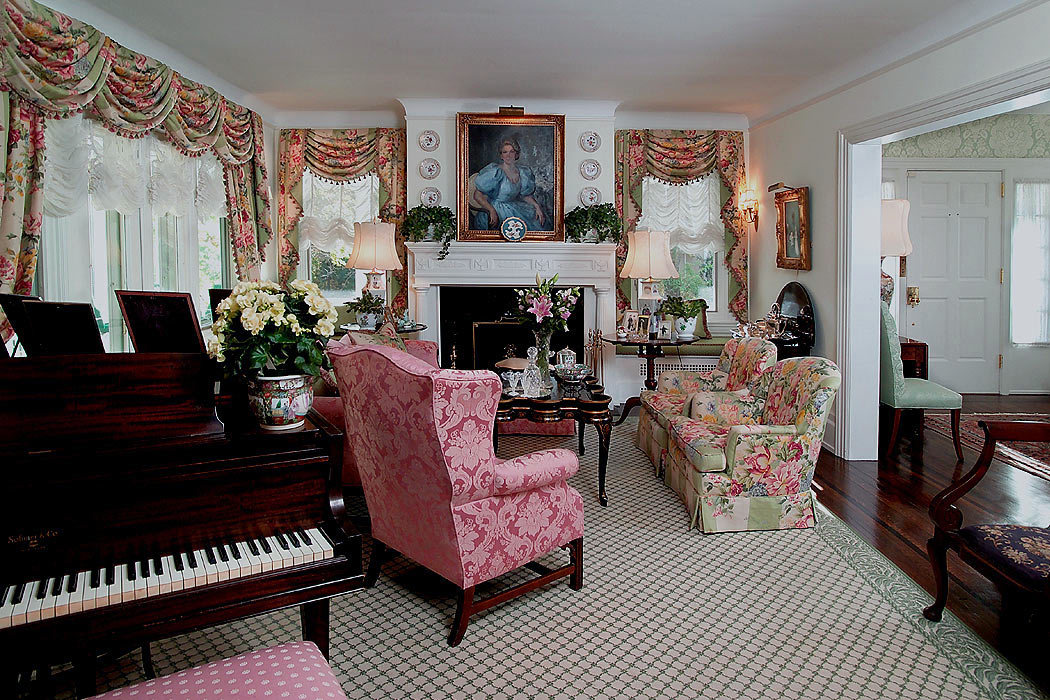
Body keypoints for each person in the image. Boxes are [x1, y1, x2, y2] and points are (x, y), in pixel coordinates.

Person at [472, 138, 547, 231]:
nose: (508, 155)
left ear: (516, 154)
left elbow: (524, 195)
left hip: (514, 207)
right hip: (497, 209)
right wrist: (491, 210)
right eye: (505, 152)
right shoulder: (495, 172)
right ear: (501, 155)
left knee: (537, 222)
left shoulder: (523, 172)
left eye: (511, 152)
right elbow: (477, 195)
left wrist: (537, 206)